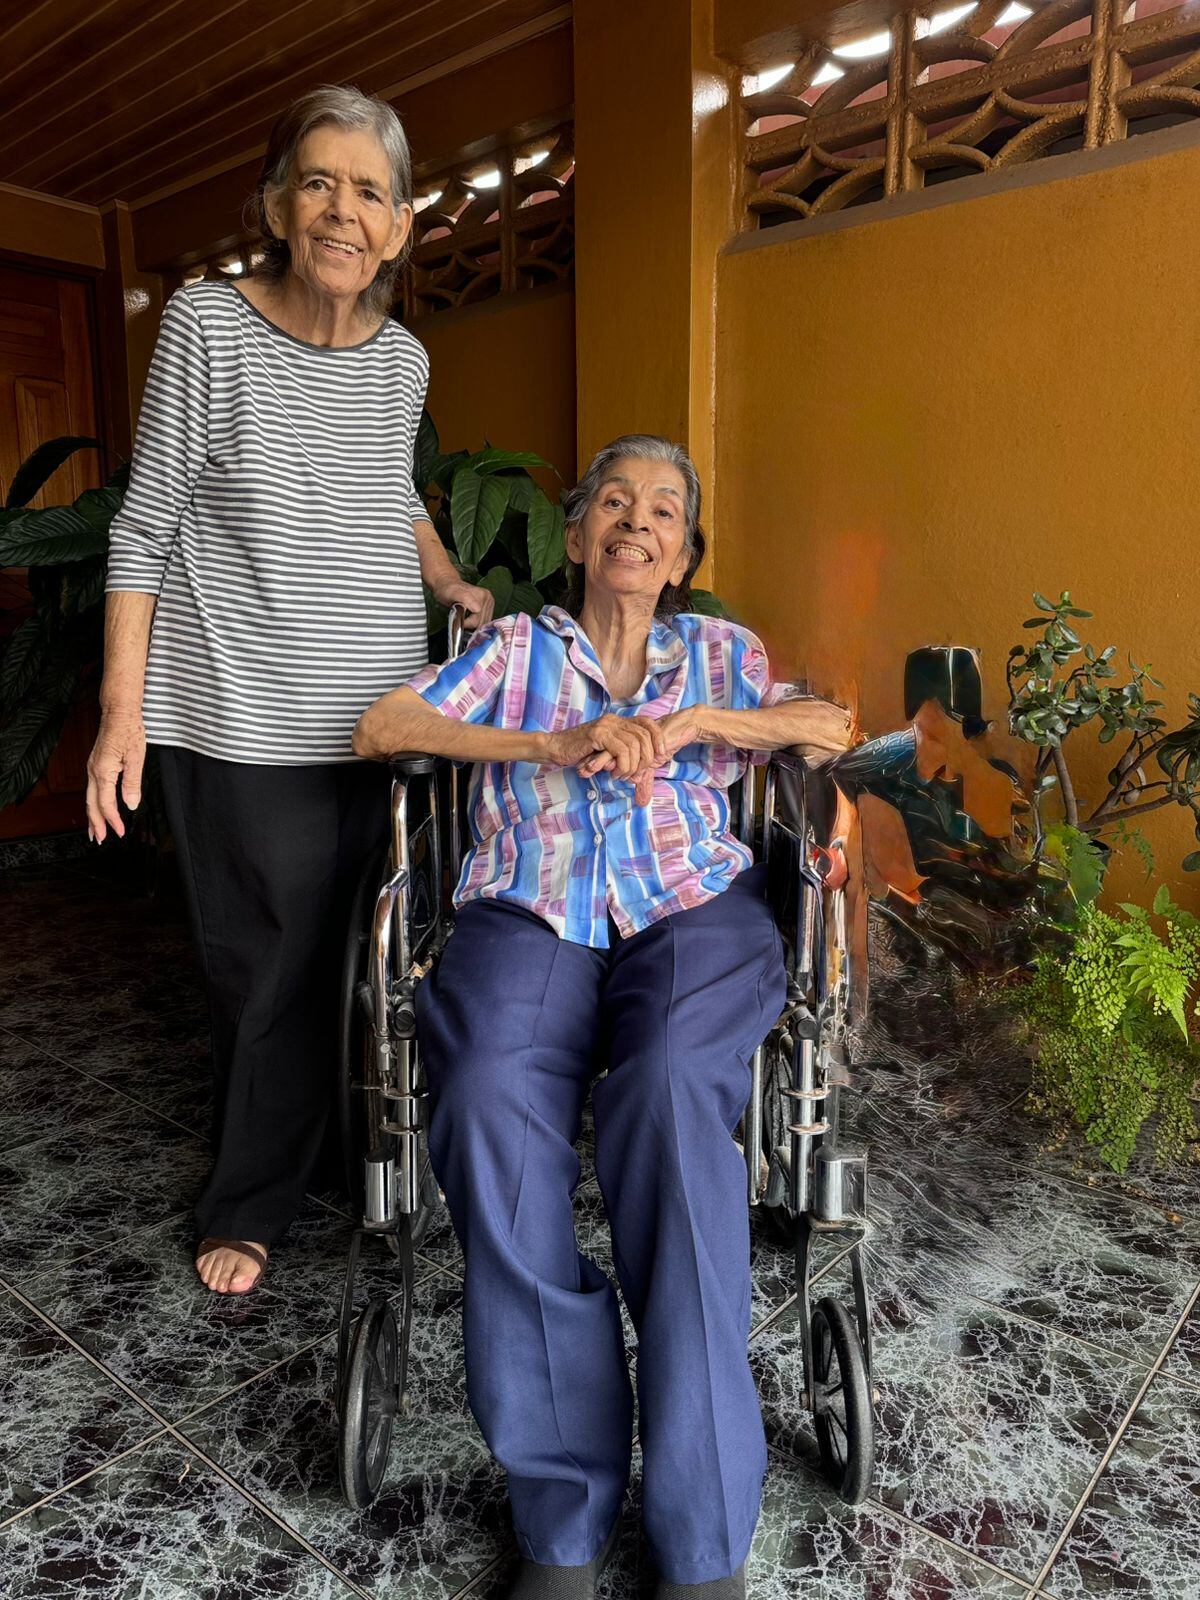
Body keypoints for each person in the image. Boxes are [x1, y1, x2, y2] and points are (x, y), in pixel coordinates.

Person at [353, 435, 852, 1599]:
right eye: (614, 502)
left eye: (665, 511)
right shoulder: (516, 650)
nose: (638, 521)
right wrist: (550, 743)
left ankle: (699, 1537)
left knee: (674, 1091)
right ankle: (564, 1517)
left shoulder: (721, 653)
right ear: (575, 537)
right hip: (531, 909)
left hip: (692, 909)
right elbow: (382, 727)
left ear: (681, 557)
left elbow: (828, 729)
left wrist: (691, 729)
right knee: (482, 1098)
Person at [88, 85, 493, 1296]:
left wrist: (455, 584)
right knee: (265, 969)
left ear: (404, 224)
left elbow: (394, 493)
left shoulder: (405, 360)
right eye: (317, 181)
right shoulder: (207, 328)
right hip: (241, 718)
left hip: (381, 722)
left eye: (369, 190)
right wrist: (124, 713)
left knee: (375, 958)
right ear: (275, 203)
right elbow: (146, 520)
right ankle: (253, 1197)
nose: (341, 209)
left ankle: (352, 1153)